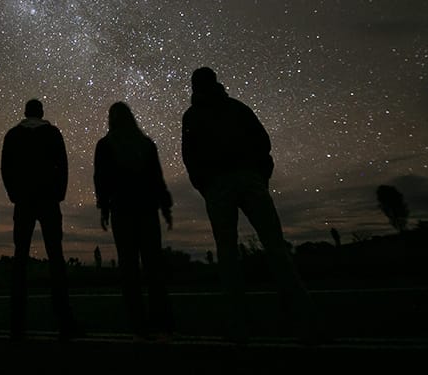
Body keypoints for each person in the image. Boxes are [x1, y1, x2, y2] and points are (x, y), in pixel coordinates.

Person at [181, 67, 319, 344]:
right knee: (274, 245)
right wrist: (259, 176)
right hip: (244, 179)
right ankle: (302, 315)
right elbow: (262, 142)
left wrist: (206, 186)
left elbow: (190, 156)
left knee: (229, 252)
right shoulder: (235, 107)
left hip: (223, 184)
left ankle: (239, 322)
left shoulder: (194, 115)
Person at [1, 98, 81, 341]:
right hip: (48, 199)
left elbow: (6, 168)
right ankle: (64, 318)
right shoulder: (52, 133)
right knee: (55, 255)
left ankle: (16, 322)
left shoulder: (13, 135)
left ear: (25, 113)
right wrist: (58, 193)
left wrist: (14, 194)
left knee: (20, 258)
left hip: (24, 200)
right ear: (41, 112)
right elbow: (62, 165)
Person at [94, 101, 174, 341]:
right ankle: (161, 321)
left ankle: (138, 324)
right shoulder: (146, 144)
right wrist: (165, 207)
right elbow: (157, 178)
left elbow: (101, 179)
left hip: (122, 210)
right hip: (147, 209)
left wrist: (104, 207)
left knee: (128, 268)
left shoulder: (105, 145)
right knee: (153, 266)